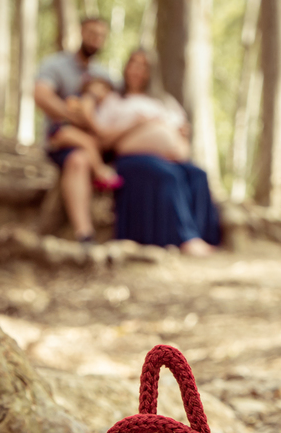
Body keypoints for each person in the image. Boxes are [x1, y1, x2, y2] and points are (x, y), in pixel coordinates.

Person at [89, 50, 220, 256]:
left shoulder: (164, 101)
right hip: (131, 159)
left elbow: (183, 135)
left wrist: (179, 150)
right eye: (134, 64)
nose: (138, 70)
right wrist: (135, 124)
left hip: (169, 158)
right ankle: (185, 238)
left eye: (144, 66)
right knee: (168, 175)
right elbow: (102, 141)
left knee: (197, 174)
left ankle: (204, 236)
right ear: (126, 67)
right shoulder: (114, 100)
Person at [32, 17, 121, 243]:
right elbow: (41, 95)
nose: (96, 39)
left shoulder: (106, 75)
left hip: (99, 142)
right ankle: (84, 234)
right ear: (81, 32)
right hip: (62, 141)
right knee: (79, 159)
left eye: (101, 35)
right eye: (92, 33)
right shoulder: (56, 65)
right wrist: (73, 116)